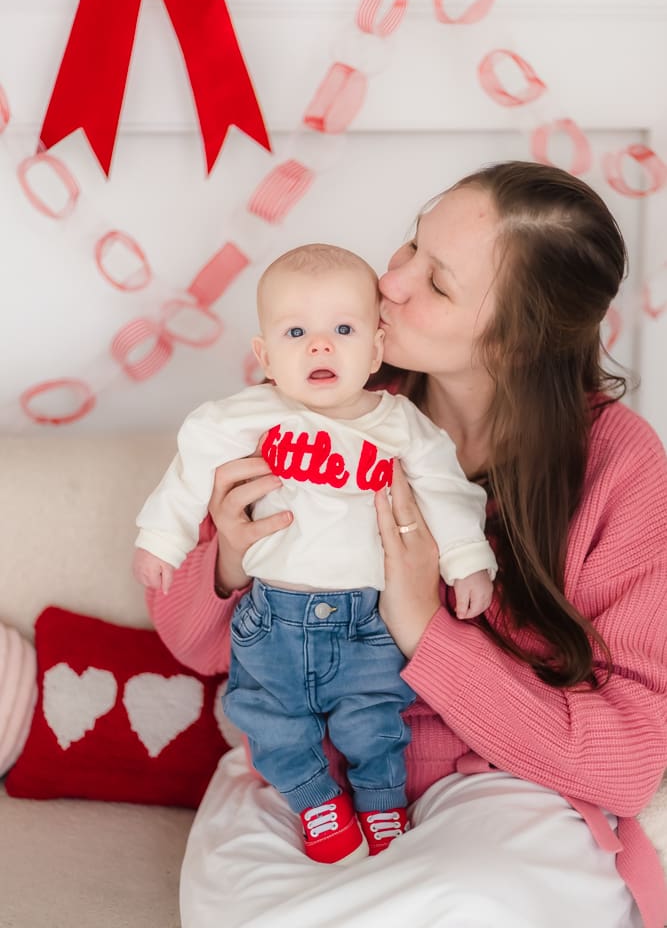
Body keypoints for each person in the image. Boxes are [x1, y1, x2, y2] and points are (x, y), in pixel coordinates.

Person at [145, 162, 667, 928]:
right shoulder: (316, 397)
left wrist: (421, 622)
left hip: (499, 789)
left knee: (467, 902)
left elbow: (625, 764)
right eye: (408, 248)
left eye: (438, 283)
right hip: (309, 780)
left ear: (518, 341)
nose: (389, 285)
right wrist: (227, 559)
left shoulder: (618, 464)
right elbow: (193, 647)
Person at [133, 243, 497, 865]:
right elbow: (191, 470)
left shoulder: (401, 424)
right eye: (296, 332)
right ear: (265, 355)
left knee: (376, 721)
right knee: (265, 716)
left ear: (377, 349)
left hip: (369, 621)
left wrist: (467, 559)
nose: (320, 346)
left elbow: (445, 490)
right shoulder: (246, 415)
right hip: (273, 616)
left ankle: (382, 808)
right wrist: (162, 539)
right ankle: (316, 803)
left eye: (343, 330)